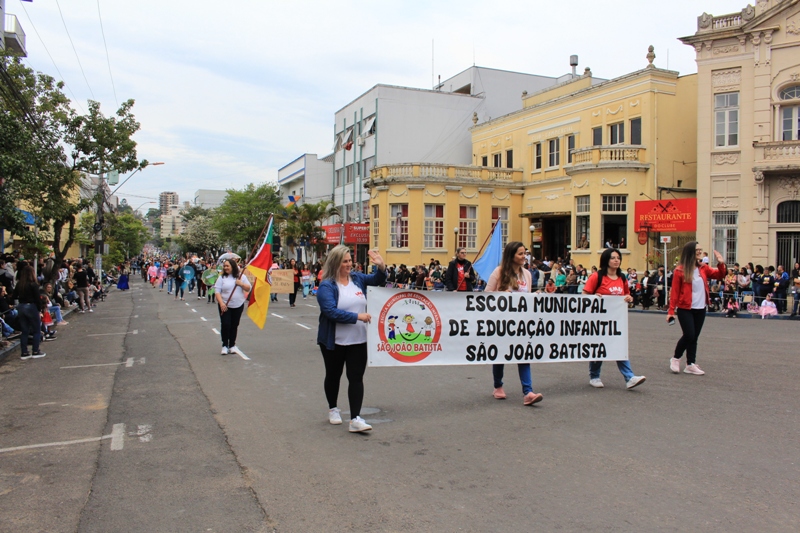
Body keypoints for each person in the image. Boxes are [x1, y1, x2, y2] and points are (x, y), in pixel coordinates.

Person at [316, 245, 386, 433]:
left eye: (350, 261)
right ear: (335, 263)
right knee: (333, 376)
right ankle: (333, 408)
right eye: (345, 262)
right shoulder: (327, 286)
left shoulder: (357, 279)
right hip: (334, 341)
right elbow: (330, 311)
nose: (349, 264)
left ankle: (355, 418)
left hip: (359, 340)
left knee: (356, 378)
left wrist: (381, 266)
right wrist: (357, 317)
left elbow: (378, 280)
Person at [486, 241, 543, 406]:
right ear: (511, 256)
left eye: (525, 253)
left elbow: (527, 297)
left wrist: (535, 297)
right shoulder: (498, 272)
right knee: (500, 354)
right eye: (520, 254)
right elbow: (486, 295)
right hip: (502, 322)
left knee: (523, 354)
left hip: (521, 323)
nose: (524, 256)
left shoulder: (527, 274)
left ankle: (528, 392)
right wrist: (501, 294)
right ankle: (498, 386)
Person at [582, 248, 646, 390]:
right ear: (606, 260)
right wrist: (594, 297)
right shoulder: (597, 277)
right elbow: (584, 294)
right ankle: (594, 376)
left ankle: (629, 377)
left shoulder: (622, 278)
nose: (616, 260)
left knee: (619, 346)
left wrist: (629, 298)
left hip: (616, 321)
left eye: (618, 258)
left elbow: (627, 295)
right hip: (598, 320)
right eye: (613, 258)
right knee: (599, 347)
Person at [667, 242, 727, 376]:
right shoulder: (679, 271)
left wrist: (721, 263)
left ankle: (690, 364)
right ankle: (676, 358)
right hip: (685, 308)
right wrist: (671, 311)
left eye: (700, 249)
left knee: (694, 337)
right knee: (689, 334)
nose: (699, 252)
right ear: (690, 252)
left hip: (700, 307)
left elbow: (719, 275)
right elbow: (675, 292)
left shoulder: (703, 268)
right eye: (697, 250)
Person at [214, 259, 251, 355]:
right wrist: (221, 303)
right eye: (224, 266)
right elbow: (217, 291)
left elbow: (248, 288)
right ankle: (224, 345)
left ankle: (232, 345)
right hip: (225, 305)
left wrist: (241, 284)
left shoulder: (241, 276)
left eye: (227, 266)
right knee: (225, 324)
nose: (225, 268)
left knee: (234, 325)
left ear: (233, 266)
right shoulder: (222, 278)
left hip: (238, 305)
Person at [11, 265, 46, 360]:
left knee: (24, 331)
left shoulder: (19, 284)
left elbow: (13, 296)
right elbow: (37, 298)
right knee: (36, 330)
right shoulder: (33, 285)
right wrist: (39, 309)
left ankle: (24, 352)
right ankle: (35, 350)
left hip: (21, 306)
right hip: (31, 306)